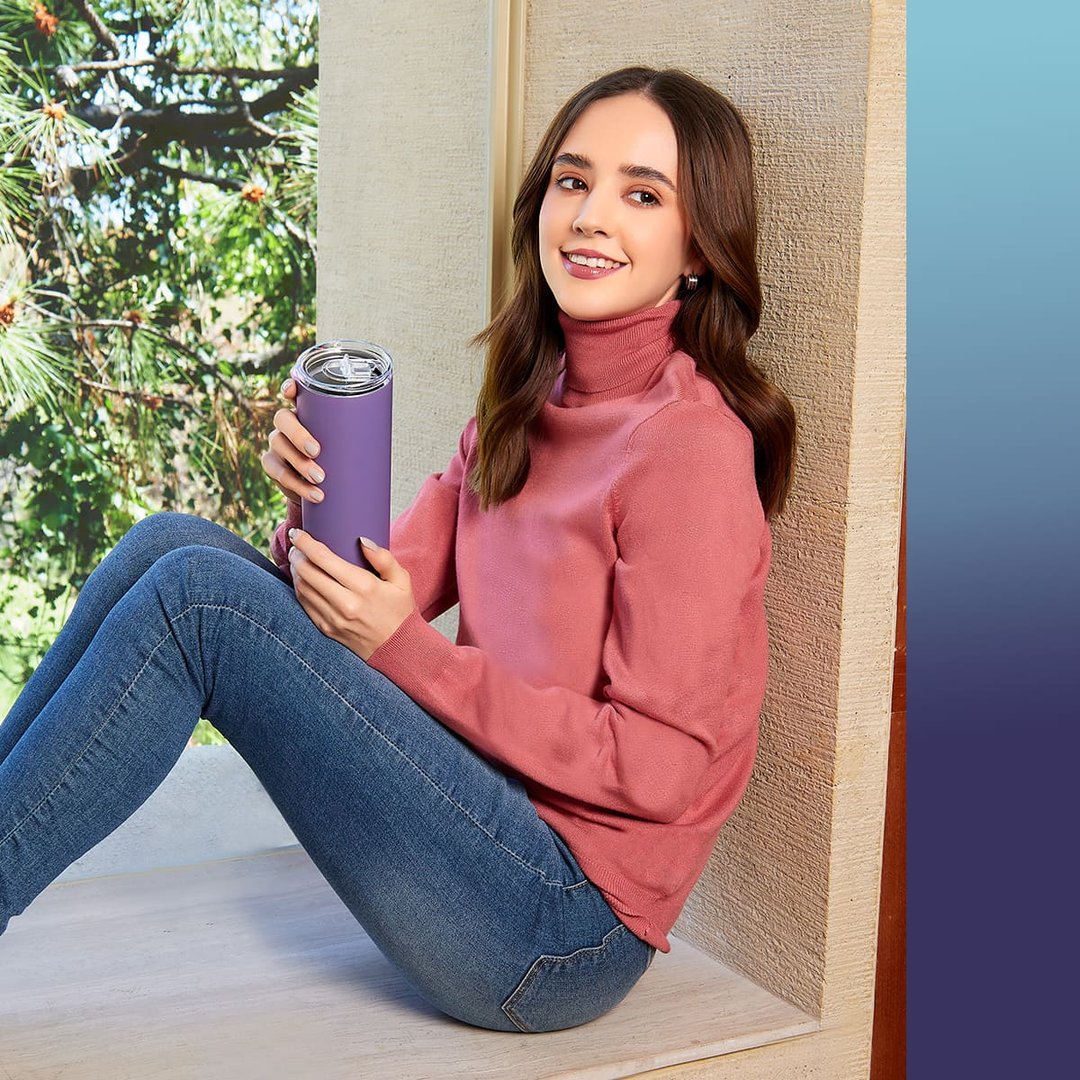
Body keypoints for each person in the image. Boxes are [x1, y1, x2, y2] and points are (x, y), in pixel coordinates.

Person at [0, 66, 796, 1034]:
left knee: (198, 600)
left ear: (699, 247)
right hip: (474, 821)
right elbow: (370, 594)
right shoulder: (524, 405)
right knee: (167, 545)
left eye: (642, 195)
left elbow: (660, 768)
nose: (591, 217)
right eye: (573, 180)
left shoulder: (689, 449)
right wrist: (309, 497)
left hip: (559, 928)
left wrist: (410, 653)